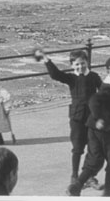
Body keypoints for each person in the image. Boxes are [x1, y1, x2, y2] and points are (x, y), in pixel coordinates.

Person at [66, 55, 110, 197]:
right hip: (107, 130)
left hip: (94, 130)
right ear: (109, 72)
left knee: (95, 159)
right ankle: (107, 191)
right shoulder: (108, 88)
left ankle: (76, 186)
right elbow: (93, 101)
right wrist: (99, 118)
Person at [34, 49, 103, 189]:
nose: (80, 67)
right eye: (77, 64)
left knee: (93, 148)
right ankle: (74, 177)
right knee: (77, 149)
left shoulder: (94, 77)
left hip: (92, 118)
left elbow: (103, 92)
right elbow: (55, 74)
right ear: (72, 65)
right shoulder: (71, 78)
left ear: (87, 62)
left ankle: (89, 177)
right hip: (77, 118)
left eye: (83, 63)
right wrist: (46, 59)